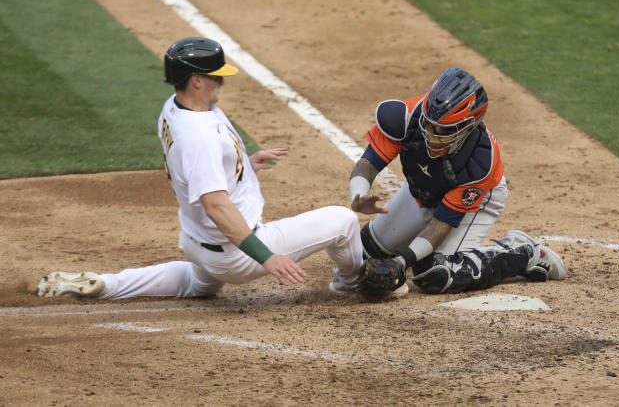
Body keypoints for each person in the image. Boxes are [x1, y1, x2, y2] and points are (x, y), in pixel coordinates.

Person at [38, 37, 406, 299]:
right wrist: (267, 257)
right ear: (195, 80)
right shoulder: (198, 138)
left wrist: (242, 164)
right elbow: (216, 205)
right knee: (341, 222)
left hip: (197, 244)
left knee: (198, 285)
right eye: (216, 76)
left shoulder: (176, 106)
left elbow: (200, 171)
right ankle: (351, 284)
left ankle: (107, 285)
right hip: (235, 252)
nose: (222, 81)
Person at [350, 68, 566, 294]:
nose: (431, 133)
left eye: (443, 129)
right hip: (424, 190)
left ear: (467, 127)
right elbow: (369, 162)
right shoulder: (405, 117)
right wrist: (358, 193)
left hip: (478, 202)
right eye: (429, 123)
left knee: (435, 273)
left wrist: (402, 262)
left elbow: (441, 224)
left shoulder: (479, 162)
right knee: (365, 252)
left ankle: (520, 252)